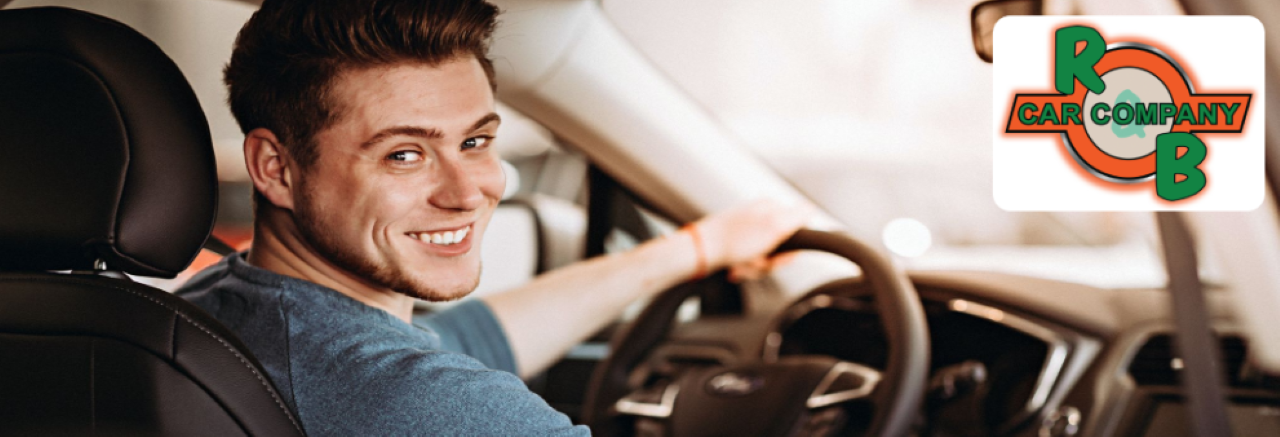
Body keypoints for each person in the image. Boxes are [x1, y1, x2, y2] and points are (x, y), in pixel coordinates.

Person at [175, 0, 811, 435]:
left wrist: (693, 249)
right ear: (275, 168)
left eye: (476, 142)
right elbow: (426, 379)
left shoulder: (217, 309)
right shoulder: (427, 404)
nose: (470, 190)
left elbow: (467, 341)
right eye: (405, 154)